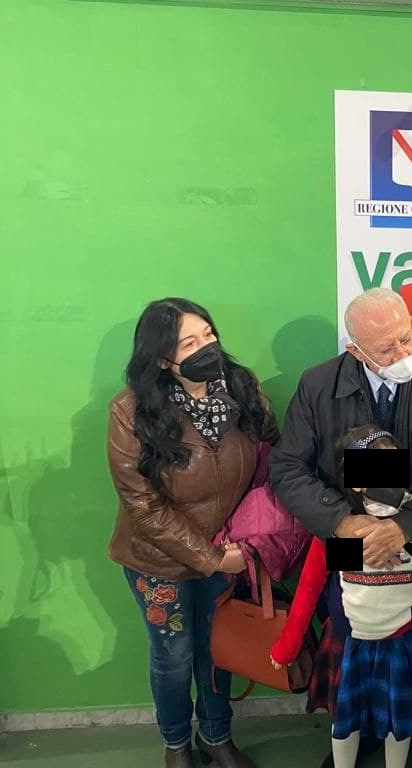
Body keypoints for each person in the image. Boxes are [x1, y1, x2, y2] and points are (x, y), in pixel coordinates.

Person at [270, 287, 412, 768]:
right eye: (386, 348)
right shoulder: (318, 385)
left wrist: (404, 527)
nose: (403, 353)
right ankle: (356, 734)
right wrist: (340, 522)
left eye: (407, 338)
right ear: (355, 349)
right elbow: (287, 468)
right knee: (349, 635)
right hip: (347, 540)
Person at [107, 298, 279, 768]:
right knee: (174, 655)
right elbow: (142, 506)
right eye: (189, 343)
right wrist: (211, 558)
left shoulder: (243, 388)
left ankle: (217, 737)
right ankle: (177, 745)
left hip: (229, 548)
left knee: (216, 648)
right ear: (163, 358)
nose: (207, 347)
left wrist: (249, 540)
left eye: (209, 335)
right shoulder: (131, 411)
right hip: (158, 561)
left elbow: (271, 459)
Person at [270, 425, 412, 768]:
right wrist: (287, 646)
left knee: (399, 722)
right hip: (351, 642)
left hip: (400, 641)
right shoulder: (342, 534)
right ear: (355, 482)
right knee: (344, 723)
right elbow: (308, 589)